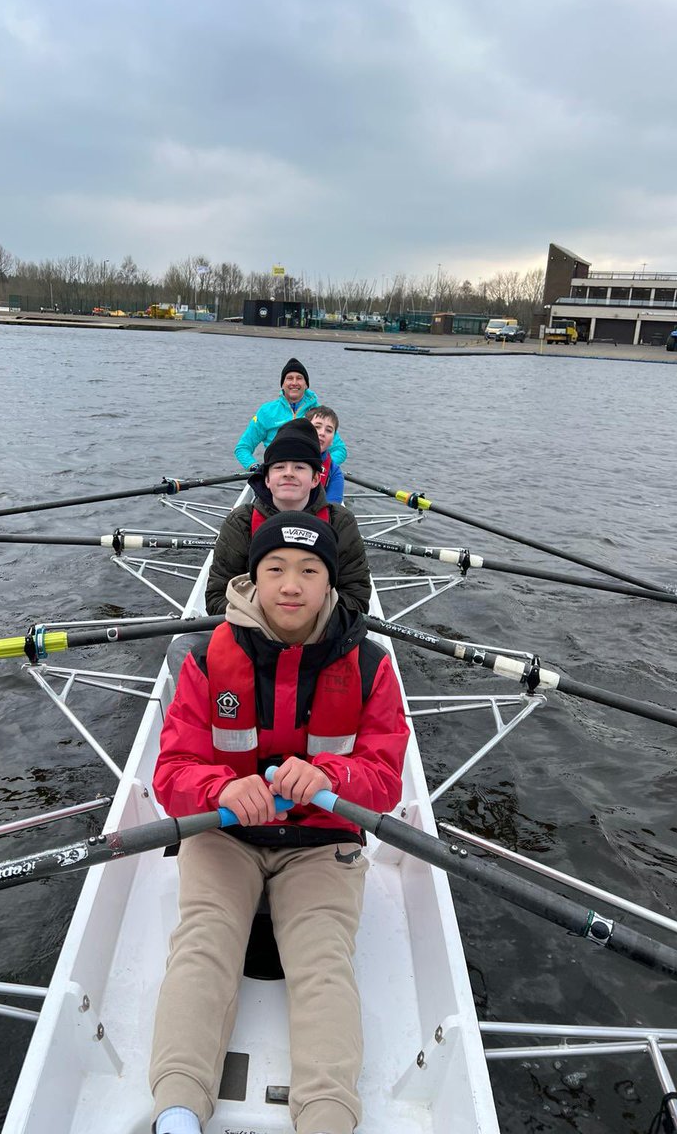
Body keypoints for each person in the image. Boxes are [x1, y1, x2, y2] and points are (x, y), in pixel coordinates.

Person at [149, 511, 410, 1134]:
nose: (291, 585)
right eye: (275, 570)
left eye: (309, 571)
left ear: (330, 585)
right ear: (253, 580)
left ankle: (325, 1118)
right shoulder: (206, 661)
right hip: (225, 832)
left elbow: (385, 779)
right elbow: (172, 775)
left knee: (322, 961)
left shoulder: (372, 667)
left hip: (321, 843)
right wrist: (222, 786)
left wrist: (330, 778)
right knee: (203, 943)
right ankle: (178, 1112)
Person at [207, 417, 370, 615]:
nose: (288, 473)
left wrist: (304, 623)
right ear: (266, 479)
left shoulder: (340, 523)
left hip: (321, 638)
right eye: (279, 467)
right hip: (254, 634)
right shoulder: (240, 522)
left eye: (300, 467)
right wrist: (270, 621)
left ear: (315, 478)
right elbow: (216, 598)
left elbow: (357, 599)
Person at [234, 358, 348, 470]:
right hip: (276, 472)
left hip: (309, 475)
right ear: (282, 384)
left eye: (299, 378)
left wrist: (319, 467)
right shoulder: (266, 411)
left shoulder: (319, 413)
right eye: (289, 378)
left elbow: (340, 450)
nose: (294, 383)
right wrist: (255, 467)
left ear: (306, 384)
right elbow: (243, 448)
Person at [307, 404, 345, 504]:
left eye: (328, 430)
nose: (322, 433)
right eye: (317, 427)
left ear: (333, 440)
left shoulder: (335, 472)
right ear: (304, 430)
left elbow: (332, 509)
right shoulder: (285, 458)